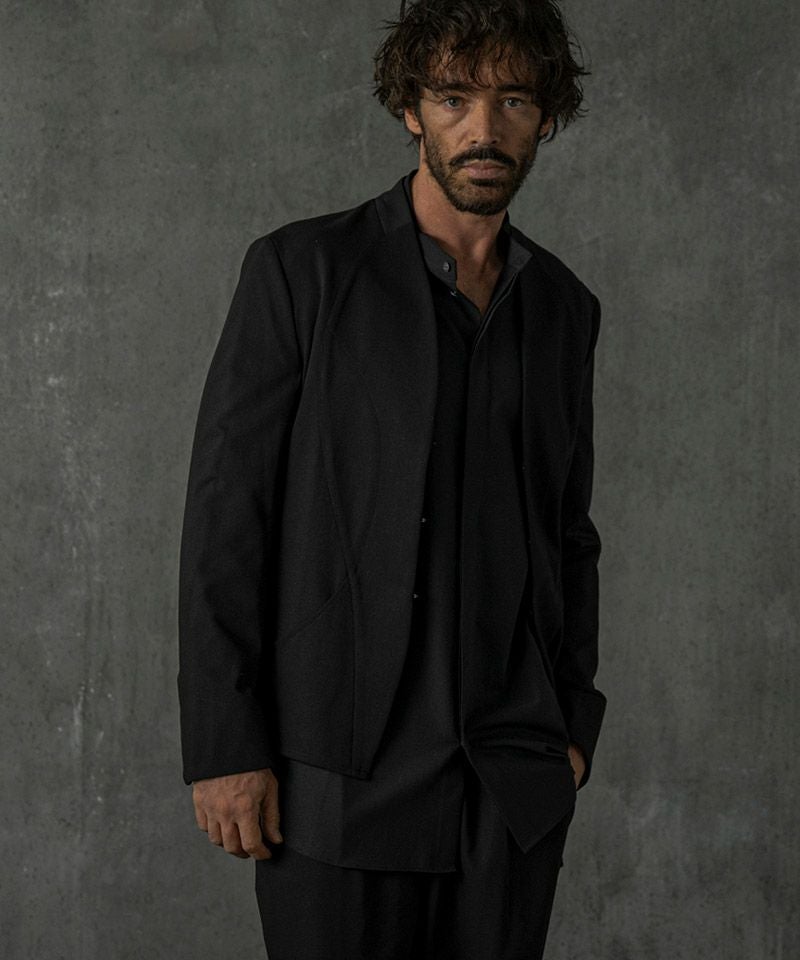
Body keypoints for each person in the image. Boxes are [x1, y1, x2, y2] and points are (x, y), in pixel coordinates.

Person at [178, 1, 606, 957]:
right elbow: (227, 518)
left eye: (513, 100)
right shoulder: (301, 272)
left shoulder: (565, 309)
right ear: (411, 109)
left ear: (546, 117)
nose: (483, 128)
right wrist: (224, 745)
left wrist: (573, 725)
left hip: (510, 783)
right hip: (337, 775)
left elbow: (567, 532)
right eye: (454, 98)